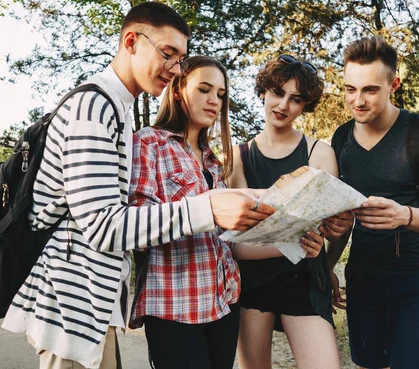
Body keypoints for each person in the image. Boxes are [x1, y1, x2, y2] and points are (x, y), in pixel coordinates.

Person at [1, 2, 274, 369]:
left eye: (181, 59)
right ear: (131, 41)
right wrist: (208, 208)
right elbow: (102, 226)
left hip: (94, 305)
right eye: (168, 54)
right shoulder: (93, 106)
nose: (175, 68)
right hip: (73, 303)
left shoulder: (117, 110)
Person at [128, 55, 299, 369]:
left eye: (220, 94)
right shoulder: (148, 144)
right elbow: (137, 228)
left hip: (223, 303)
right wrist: (204, 211)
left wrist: (294, 244)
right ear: (178, 90)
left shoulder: (213, 162)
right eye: (204, 89)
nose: (214, 101)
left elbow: (229, 243)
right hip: (174, 307)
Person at [327, 36, 419, 369]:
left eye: (370, 90)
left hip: (416, 279)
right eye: (349, 89)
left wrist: (405, 215)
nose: (357, 101)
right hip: (364, 279)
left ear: (393, 85)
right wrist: (326, 269)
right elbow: (343, 216)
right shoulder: (341, 139)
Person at [228, 55, 353, 369]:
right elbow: (237, 242)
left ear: (305, 105)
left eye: (295, 99)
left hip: (305, 281)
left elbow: (338, 226)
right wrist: (294, 241)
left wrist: (326, 262)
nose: (283, 105)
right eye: (278, 92)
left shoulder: (320, 153)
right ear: (263, 92)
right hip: (253, 284)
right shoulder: (238, 157)